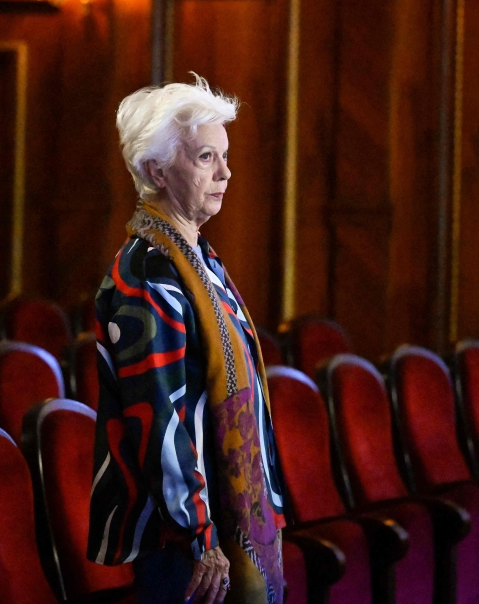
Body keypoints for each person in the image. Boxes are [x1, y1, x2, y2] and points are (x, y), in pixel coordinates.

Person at [87, 75, 287, 604]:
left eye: (223, 156)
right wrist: (199, 535)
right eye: (205, 157)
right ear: (157, 170)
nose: (226, 172)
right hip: (183, 540)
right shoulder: (150, 272)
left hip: (220, 516)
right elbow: (158, 415)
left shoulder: (198, 258)